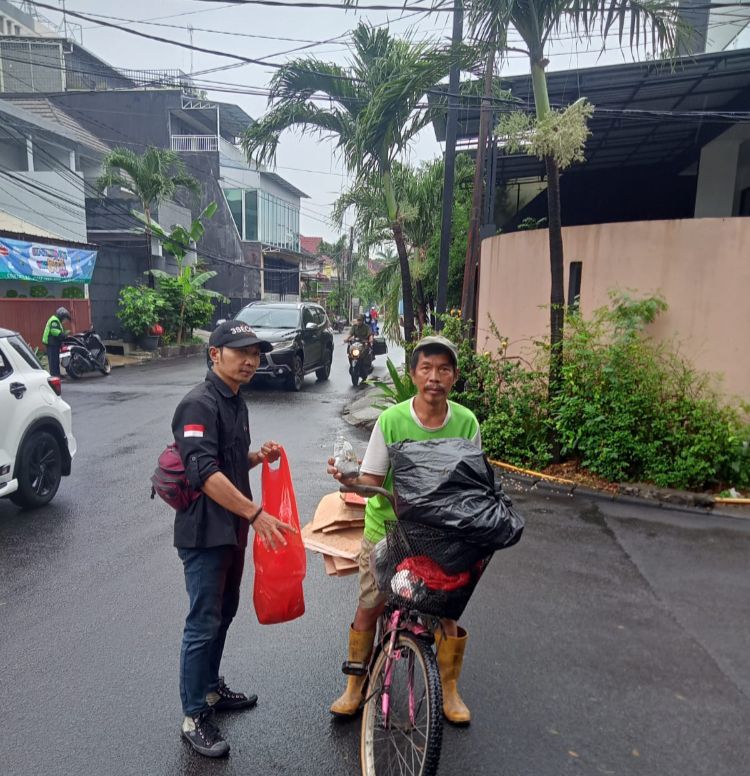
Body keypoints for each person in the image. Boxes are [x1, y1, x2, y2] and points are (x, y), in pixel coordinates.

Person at [327, 335, 481, 725]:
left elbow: (472, 483)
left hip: (440, 532)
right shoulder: (391, 420)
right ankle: (353, 686)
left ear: (454, 376)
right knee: (371, 604)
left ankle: (449, 690)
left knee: (446, 610)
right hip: (389, 530)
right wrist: (350, 483)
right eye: (426, 368)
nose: (435, 377)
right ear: (413, 374)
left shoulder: (466, 422)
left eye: (443, 369)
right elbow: (372, 478)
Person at [172, 321, 296, 758]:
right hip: (205, 533)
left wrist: (255, 457)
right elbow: (203, 472)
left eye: (256, 354)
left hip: (232, 531)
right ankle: (193, 717)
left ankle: (209, 691)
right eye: (240, 352)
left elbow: (227, 461)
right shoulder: (198, 405)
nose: (250, 360)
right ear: (215, 354)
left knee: (224, 613)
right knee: (203, 621)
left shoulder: (234, 401)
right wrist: (256, 513)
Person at [42, 307, 70, 377]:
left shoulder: (56, 320)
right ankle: (54, 375)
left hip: (54, 343)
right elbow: (55, 332)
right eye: (65, 318)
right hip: (51, 343)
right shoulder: (54, 320)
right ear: (61, 315)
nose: (65, 320)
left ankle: (57, 374)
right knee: (53, 361)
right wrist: (64, 336)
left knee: (56, 360)